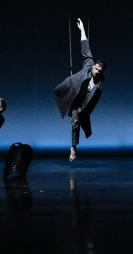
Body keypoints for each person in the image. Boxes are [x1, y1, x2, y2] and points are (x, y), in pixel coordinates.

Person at [54, 18, 105, 162]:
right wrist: (82, 30)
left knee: (75, 124)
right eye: (95, 68)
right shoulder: (89, 65)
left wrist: (84, 114)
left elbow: (93, 101)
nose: (96, 71)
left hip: (83, 105)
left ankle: (73, 149)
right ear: (93, 66)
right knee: (74, 122)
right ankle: (73, 148)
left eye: (99, 71)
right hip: (73, 94)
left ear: (102, 72)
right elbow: (86, 50)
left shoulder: (100, 83)